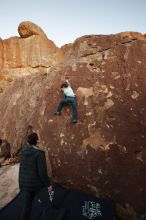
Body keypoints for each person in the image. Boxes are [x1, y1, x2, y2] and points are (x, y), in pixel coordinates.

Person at [19, 132, 52, 220]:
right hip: (36, 184)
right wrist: (48, 185)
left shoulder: (23, 151)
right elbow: (42, 173)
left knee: (27, 205)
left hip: (24, 184)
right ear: (37, 141)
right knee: (46, 203)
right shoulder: (39, 153)